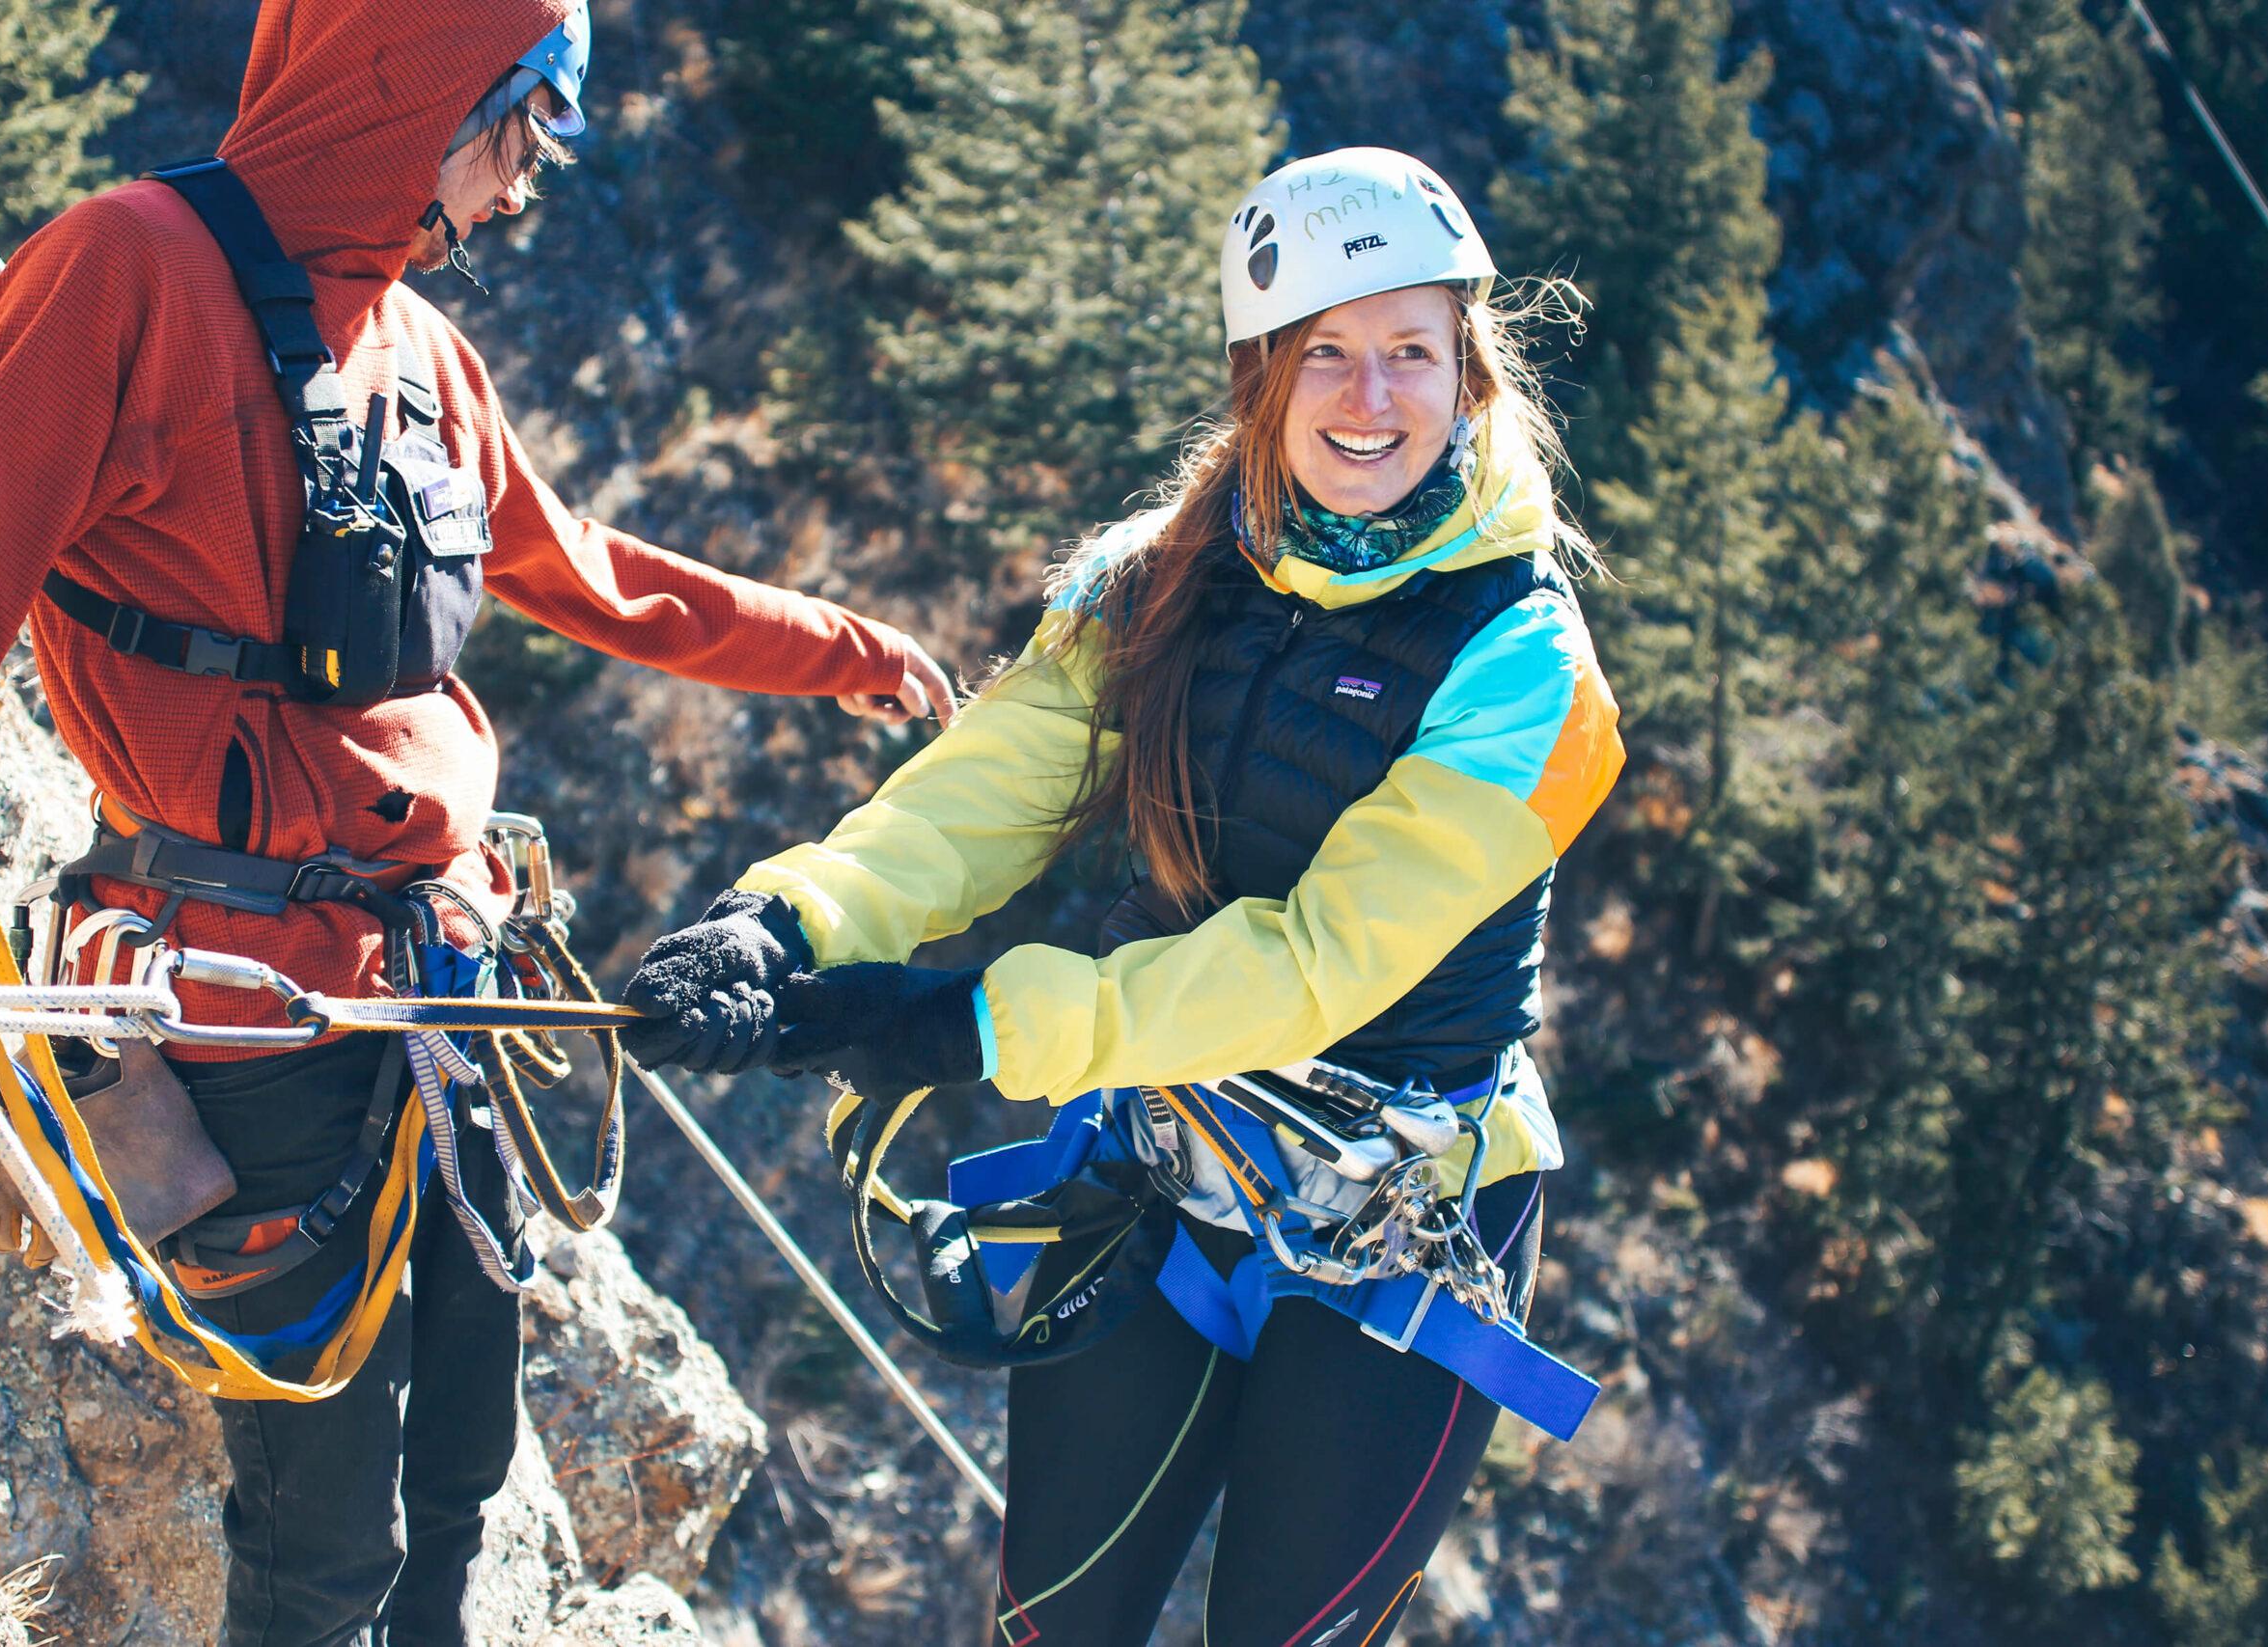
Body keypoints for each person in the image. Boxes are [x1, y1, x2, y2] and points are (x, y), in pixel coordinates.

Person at [0, 2, 952, 1641]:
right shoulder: (123, 274)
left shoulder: (416, 352)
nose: (525, 189)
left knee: (461, 1477)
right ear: (423, 91)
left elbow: (588, 572)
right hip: (246, 1010)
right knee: (323, 1520)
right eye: (528, 133)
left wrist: (837, 650)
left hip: (443, 983)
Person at [621, 147, 1624, 1645]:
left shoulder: (1529, 668)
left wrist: (968, 1024)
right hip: (1172, 1166)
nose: (1372, 398)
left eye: (1413, 351)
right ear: (1260, 381)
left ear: (1469, 373)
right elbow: (978, 798)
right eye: (1327, 356)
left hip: (1409, 1226)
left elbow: (1314, 970)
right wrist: (790, 924)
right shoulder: (1154, 581)